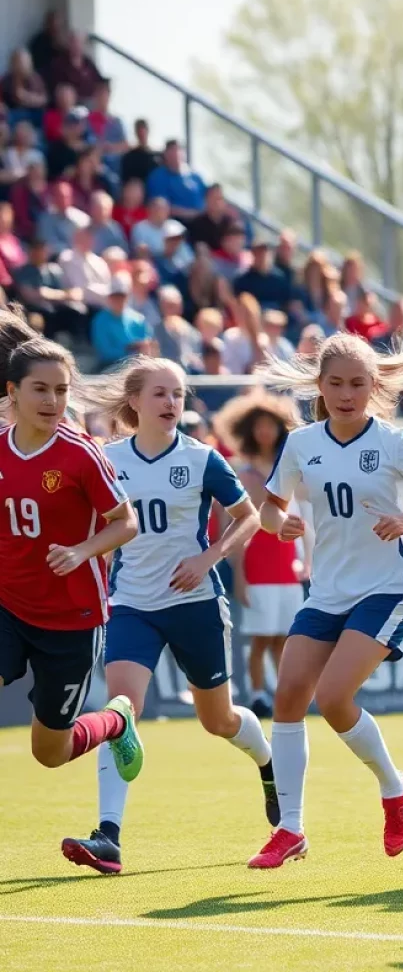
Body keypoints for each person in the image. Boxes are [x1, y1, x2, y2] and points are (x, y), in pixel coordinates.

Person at [59, 357, 275, 874]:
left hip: (194, 605)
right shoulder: (106, 459)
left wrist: (208, 558)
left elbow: (250, 518)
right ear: (134, 402)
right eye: (160, 393)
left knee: (217, 720)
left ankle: (268, 764)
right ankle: (108, 836)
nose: (172, 403)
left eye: (178, 394)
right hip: (132, 604)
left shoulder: (203, 459)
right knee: (121, 712)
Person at [246, 333, 403, 868]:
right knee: (289, 694)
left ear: (374, 386)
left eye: (357, 383)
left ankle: (393, 786)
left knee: (334, 697)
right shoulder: (301, 443)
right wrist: (279, 524)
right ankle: (289, 830)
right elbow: (269, 509)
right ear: (320, 385)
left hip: (390, 586)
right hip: (328, 588)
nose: (346, 392)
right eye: (335, 382)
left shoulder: (395, 442)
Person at [0, 310, 143, 783]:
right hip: (9, 604)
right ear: (12, 392)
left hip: (71, 619)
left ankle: (116, 720)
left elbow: (126, 523)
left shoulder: (80, 452)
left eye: (61, 390)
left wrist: (83, 551)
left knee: (51, 753)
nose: (53, 400)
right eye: (41, 389)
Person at [214, 393, 306, 720]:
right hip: (258, 567)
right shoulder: (245, 473)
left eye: (271, 426)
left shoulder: (290, 468)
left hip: (286, 565)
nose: (265, 432)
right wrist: (239, 574)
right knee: (262, 639)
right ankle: (256, 695)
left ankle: (283, 694)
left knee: (284, 637)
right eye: (259, 426)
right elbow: (236, 528)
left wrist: (306, 560)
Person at [146, 140, 206, 222]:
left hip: (202, 218)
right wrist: (191, 214)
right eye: (172, 151)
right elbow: (160, 207)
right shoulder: (158, 177)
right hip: (174, 222)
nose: (176, 154)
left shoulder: (195, 175)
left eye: (178, 150)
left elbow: (207, 196)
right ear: (165, 155)